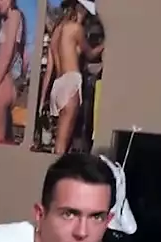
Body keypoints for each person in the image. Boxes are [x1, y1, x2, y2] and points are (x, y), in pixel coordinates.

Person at [40, 1, 103, 154]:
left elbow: (49, 70)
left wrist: (42, 100)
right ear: (82, 10)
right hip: (71, 83)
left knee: (59, 141)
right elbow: (90, 54)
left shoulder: (56, 33)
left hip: (57, 86)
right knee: (61, 148)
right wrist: (105, 45)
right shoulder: (75, 29)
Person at [0, 0, 27, 145]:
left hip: (1, 86)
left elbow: (5, 57)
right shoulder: (12, 19)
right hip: (6, 83)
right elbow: (23, 55)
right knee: (4, 142)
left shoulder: (14, 15)